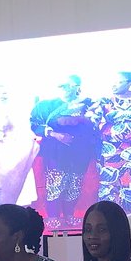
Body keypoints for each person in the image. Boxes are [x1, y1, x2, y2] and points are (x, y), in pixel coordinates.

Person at [30, 76, 99, 221]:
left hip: (81, 151)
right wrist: (55, 135)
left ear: (77, 86)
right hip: (56, 151)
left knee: (74, 184)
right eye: (61, 86)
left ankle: (69, 215)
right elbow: (34, 124)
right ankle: (53, 217)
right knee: (56, 183)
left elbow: (95, 125)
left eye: (68, 85)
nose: (64, 89)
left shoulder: (88, 104)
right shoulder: (46, 105)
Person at [89, 71, 131, 213]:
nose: (114, 84)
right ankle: (109, 224)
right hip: (110, 153)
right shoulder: (104, 102)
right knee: (109, 187)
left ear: (130, 83)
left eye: (118, 81)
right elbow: (92, 123)